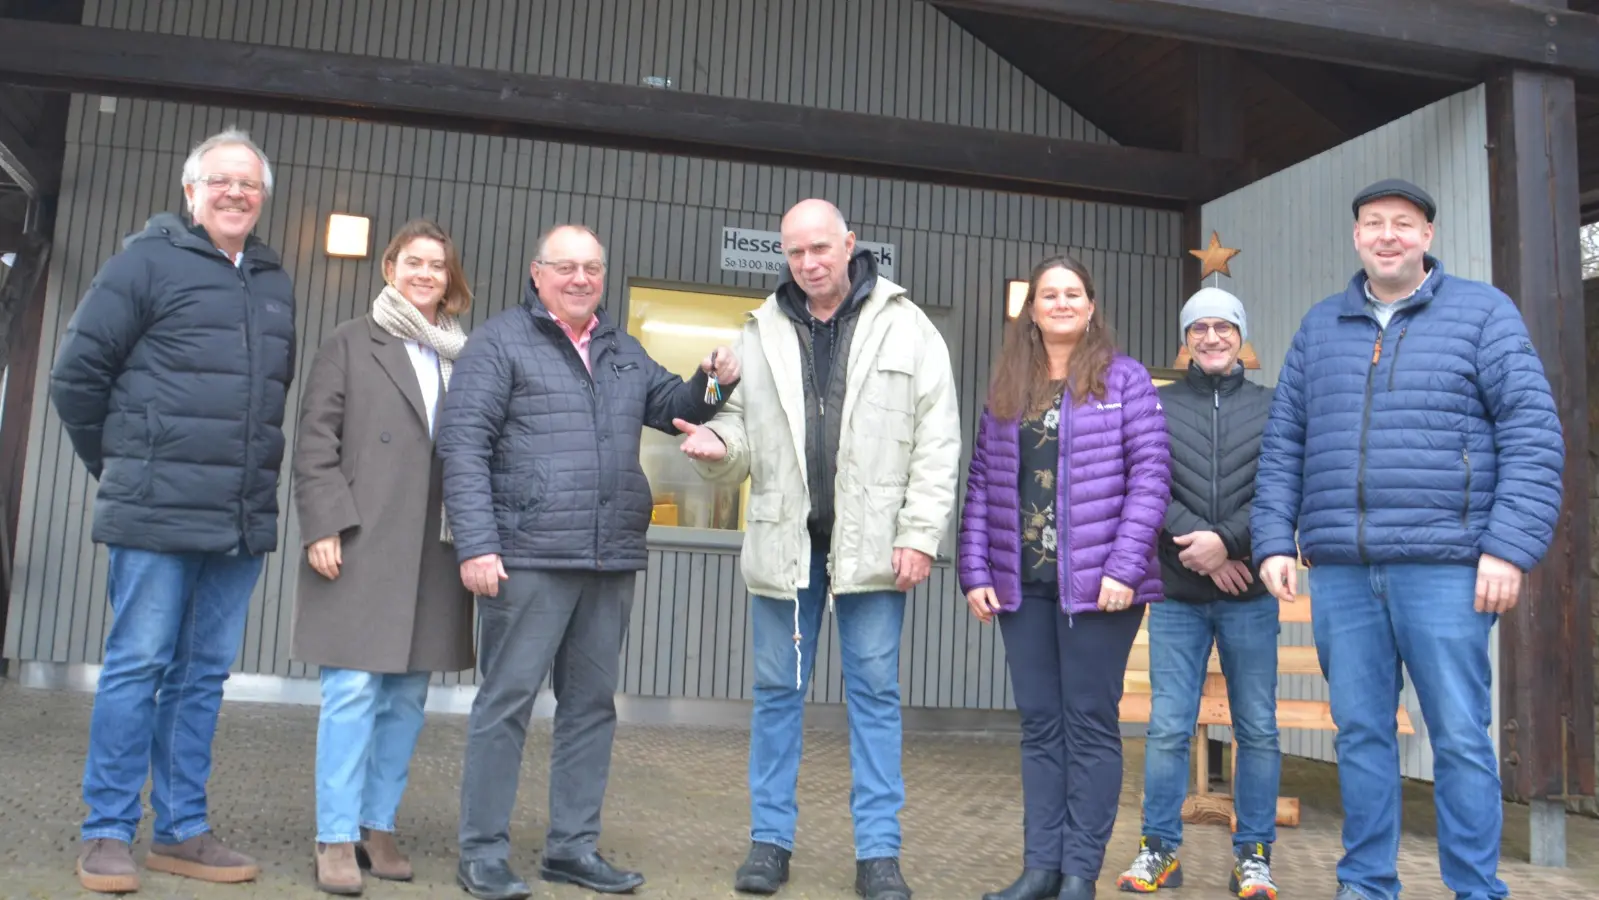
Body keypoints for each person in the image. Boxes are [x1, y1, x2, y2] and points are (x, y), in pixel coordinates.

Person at [1252, 179, 1564, 900]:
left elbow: (1531, 433)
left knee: (1457, 736)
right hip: (1343, 569)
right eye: (1372, 223)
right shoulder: (1319, 325)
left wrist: (1507, 546)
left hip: (1446, 567)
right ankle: (1364, 886)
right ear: (1356, 236)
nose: (1386, 235)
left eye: (1402, 223)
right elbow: (1283, 444)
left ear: (1426, 236)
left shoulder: (1481, 313)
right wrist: (1271, 539)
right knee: (1359, 736)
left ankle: (1474, 889)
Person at [438, 223, 740, 899]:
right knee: (506, 702)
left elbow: (676, 408)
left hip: (606, 558)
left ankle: (570, 848)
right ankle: (482, 852)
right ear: (537, 273)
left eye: (592, 268)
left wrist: (711, 379)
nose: (580, 279)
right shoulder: (500, 341)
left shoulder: (619, 347)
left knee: (590, 707)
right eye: (566, 267)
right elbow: (463, 447)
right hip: (527, 556)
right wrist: (477, 544)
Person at [677, 198, 961, 900]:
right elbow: (740, 438)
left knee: (874, 696)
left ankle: (878, 855)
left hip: (872, 549)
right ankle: (769, 843)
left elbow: (938, 442)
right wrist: (717, 450)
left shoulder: (907, 326)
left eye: (820, 249)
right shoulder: (759, 330)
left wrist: (919, 535)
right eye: (795, 252)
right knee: (776, 694)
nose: (808, 263)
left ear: (849, 244)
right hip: (785, 546)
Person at [49, 128, 297, 894]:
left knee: (201, 678)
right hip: (155, 513)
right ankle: (107, 830)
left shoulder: (272, 279)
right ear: (190, 192)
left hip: (236, 519)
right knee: (136, 667)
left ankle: (182, 830)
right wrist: (123, 463)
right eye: (219, 181)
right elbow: (74, 377)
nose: (234, 194)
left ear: (261, 199)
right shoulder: (144, 262)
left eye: (248, 184)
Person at [958, 254, 1170, 900]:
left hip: (1100, 589)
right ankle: (1039, 869)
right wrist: (973, 569)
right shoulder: (1007, 387)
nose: (1059, 303)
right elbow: (981, 485)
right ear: (1031, 309)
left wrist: (1123, 567)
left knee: (1088, 725)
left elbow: (1151, 479)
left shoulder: (1124, 381)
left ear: (1090, 306)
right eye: (1047, 294)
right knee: (1040, 727)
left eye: (1071, 293)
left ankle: (1079, 872)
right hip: (1022, 585)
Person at [290, 219, 477, 894]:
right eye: (413, 262)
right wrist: (323, 525)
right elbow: (315, 441)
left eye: (437, 265)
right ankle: (335, 835)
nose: (425, 274)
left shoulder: (461, 354)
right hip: (364, 538)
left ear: (449, 280)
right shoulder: (351, 341)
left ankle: (377, 825)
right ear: (390, 268)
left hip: (434, 548)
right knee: (352, 691)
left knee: (406, 695)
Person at [1116, 287, 1279, 899]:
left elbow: (1280, 486)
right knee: (1166, 728)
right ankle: (1158, 850)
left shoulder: (1273, 405)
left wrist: (1232, 544)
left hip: (1250, 596)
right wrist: (1206, 553)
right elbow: (1144, 484)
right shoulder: (1155, 406)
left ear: (1241, 336)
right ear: (1184, 338)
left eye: (1224, 327)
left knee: (1257, 728)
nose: (1212, 337)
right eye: (1200, 328)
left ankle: (1254, 856)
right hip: (1179, 592)